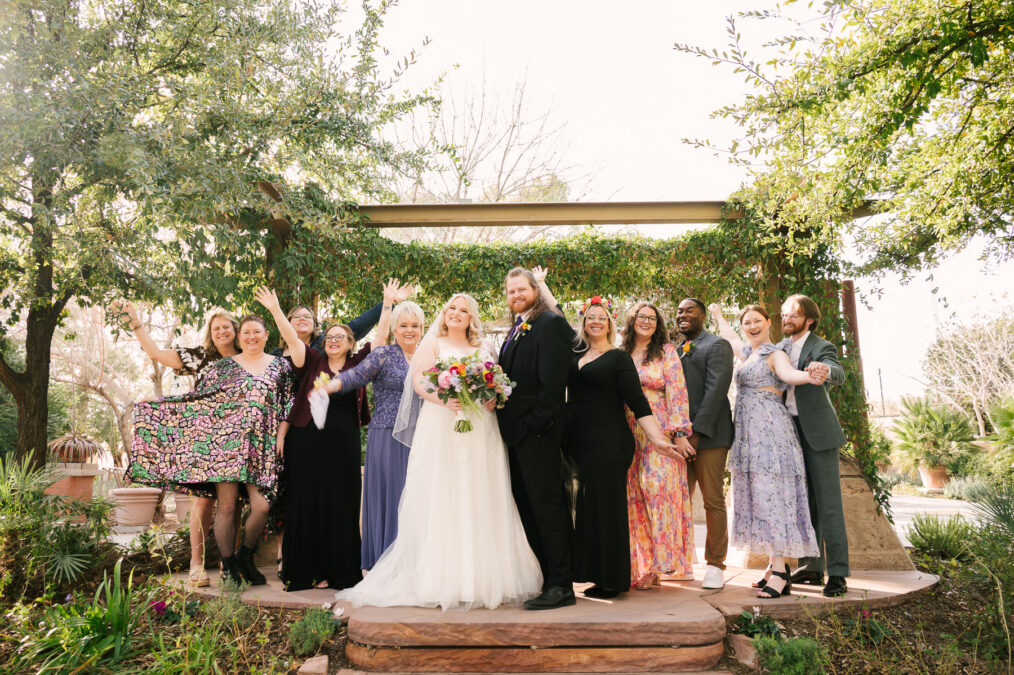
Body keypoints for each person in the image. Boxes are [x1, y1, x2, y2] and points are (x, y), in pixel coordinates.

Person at [333, 294, 543, 610]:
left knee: (481, 492)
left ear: (471, 318)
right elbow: (418, 381)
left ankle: (484, 577)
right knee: (444, 493)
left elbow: (497, 382)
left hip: (481, 428)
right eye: (451, 309)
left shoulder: (485, 347)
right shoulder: (433, 343)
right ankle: (440, 577)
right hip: (443, 425)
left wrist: (493, 397)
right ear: (444, 314)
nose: (456, 313)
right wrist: (443, 399)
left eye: (463, 310)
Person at [131, 314, 294, 586]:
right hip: (225, 448)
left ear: (266, 335)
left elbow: (289, 402)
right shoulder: (224, 366)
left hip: (261, 448)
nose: (251, 336)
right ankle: (228, 566)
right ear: (240, 337)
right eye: (246, 332)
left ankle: (244, 557)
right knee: (227, 506)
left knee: (262, 506)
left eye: (257, 332)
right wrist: (159, 402)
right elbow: (200, 400)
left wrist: (282, 433)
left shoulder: (281, 366)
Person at [257, 283, 396, 591]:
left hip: (344, 444)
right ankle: (306, 572)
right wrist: (275, 310)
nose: (333, 341)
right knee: (307, 503)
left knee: (342, 503)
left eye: (340, 337)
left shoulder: (358, 364)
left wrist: (387, 303)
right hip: (306, 442)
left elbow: (381, 338)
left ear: (350, 343)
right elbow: (291, 338)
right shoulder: (311, 360)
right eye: (329, 337)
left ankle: (340, 572)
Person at [564, 297, 686, 598]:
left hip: (609, 442)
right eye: (590, 317)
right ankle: (595, 574)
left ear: (610, 324)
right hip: (581, 444)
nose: (596, 322)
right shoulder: (575, 353)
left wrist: (658, 440)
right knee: (590, 510)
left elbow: (638, 401)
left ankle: (614, 581)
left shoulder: (618, 359)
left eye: (601, 318)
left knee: (609, 510)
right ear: (583, 323)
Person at [114, 301, 240, 588]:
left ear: (235, 329)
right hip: (204, 439)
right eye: (216, 328)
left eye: (226, 326)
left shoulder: (247, 356)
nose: (222, 331)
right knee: (204, 501)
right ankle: (196, 564)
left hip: (237, 440)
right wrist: (136, 324)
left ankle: (229, 563)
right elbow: (156, 353)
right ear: (210, 333)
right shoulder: (200, 357)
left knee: (234, 503)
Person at [708, 303, 820, 599]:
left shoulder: (775, 354)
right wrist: (718, 316)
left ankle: (781, 571)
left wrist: (810, 376)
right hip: (749, 434)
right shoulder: (748, 354)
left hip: (770, 433)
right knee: (761, 497)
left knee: (773, 498)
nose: (752, 326)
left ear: (769, 322)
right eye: (747, 322)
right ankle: (773, 565)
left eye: (757, 320)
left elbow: (789, 374)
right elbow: (731, 338)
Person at [317, 300, 425, 569]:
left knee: (419, 496)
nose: (409, 330)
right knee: (395, 495)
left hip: (423, 436)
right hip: (388, 436)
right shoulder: (383, 354)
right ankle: (389, 560)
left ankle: (417, 561)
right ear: (395, 329)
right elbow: (356, 375)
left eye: (414, 325)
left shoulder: (428, 356)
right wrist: (331, 386)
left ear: (422, 329)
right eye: (403, 325)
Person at [496, 267, 576, 610]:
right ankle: (547, 579)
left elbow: (553, 387)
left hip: (537, 434)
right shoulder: (518, 327)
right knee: (528, 508)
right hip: (515, 435)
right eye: (510, 291)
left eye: (521, 289)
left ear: (535, 290)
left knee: (548, 507)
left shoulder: (550, 323)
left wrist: (533, 426)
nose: (516, 295)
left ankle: (562, 584)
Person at [620, 302, 695, 590]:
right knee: (634, 497)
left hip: (660, 429)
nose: (647, 321)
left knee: (659, 490)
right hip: (628, 431)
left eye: (652, 318)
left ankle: (663, 563)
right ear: (632, 320)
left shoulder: (666, 352)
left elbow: (677, 391)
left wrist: (679, 432)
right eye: (641, 316)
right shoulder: (621, 352)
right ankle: (643, 567)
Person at [779, 294, 850, 598]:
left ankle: (838, 573)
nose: (786, 319)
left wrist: (825, 370)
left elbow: (838, 372)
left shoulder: (821, 347)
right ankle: (810, 566)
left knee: (829, 505)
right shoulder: (778, 349)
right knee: (803, 504)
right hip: (788, 434)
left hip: (819, 434)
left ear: (809, 319)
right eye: (783, 314)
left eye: (793, 315)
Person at [674, 297, 735, 590]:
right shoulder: (676, 350)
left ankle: (715, 564)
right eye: (679, 311)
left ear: (702, 316)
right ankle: (683, 559)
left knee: (712, 501)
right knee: (678, 499)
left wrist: (696, 433)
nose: (683, 315)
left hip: (710, 437)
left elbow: (715, 391)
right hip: (680, 439)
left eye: (690, 310)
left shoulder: (717, 345)